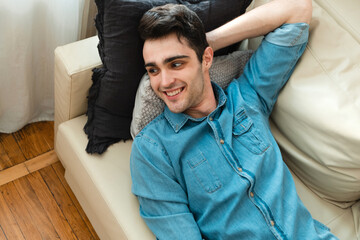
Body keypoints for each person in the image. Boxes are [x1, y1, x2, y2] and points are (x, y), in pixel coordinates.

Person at [130, 0, 338, 239]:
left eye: (176, 63)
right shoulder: (152, 150)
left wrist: (205, 41)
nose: (164, 82)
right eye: (153, 70)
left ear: (207, 59)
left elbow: (297, 9)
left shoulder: (248, 96)